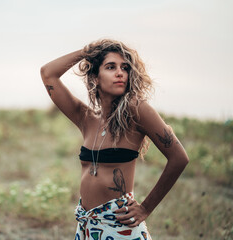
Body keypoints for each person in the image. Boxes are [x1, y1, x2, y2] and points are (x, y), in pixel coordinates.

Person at [40, 39, 189, 240]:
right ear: (95, 78)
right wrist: (89, 51)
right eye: (111, 67)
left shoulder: (137, 109)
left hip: (120, 226)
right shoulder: (86, 118)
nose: (120, 73)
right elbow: (48, 73)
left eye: (125, 68)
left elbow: (179, 158)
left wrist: (145, 208)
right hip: (87, 226)